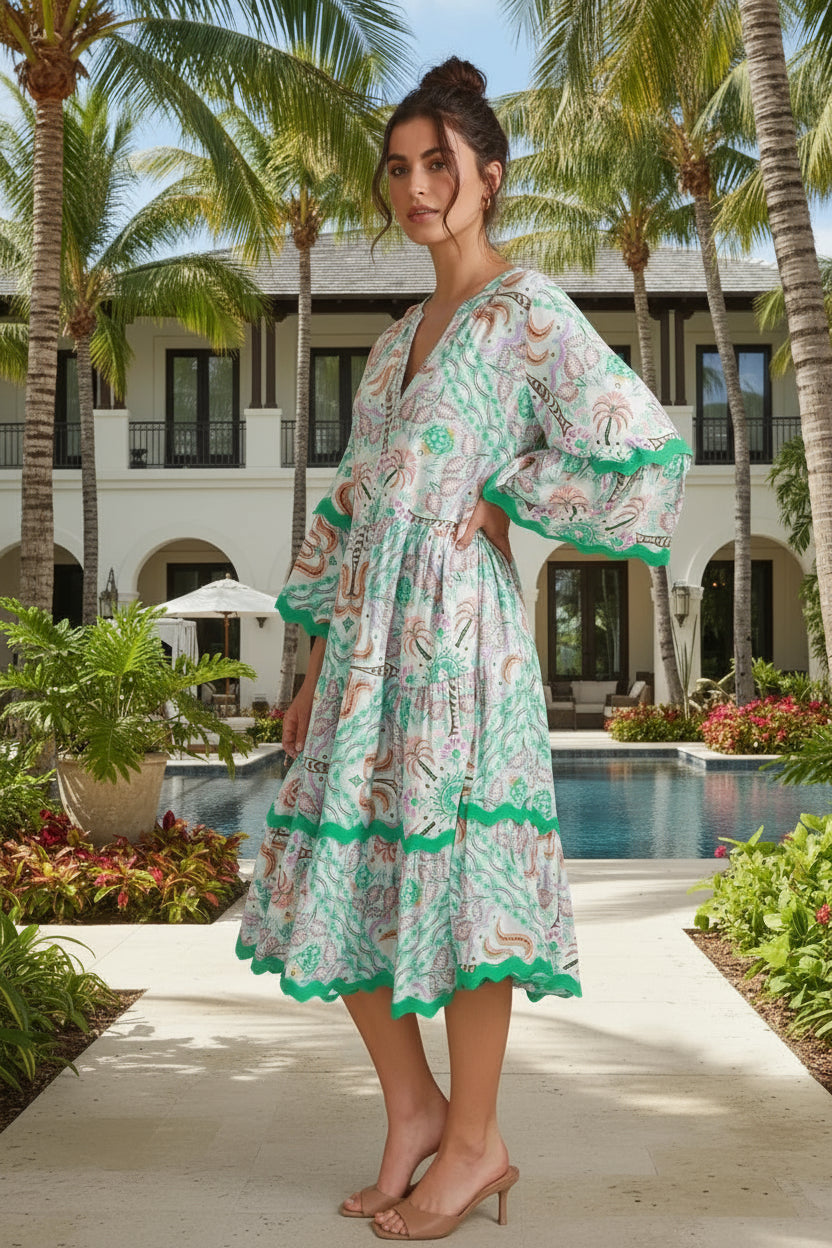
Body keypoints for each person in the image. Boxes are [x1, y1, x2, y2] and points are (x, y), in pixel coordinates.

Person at [237, 57, 691, 1241]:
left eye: (440, 164)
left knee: (462, 888)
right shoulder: (392, 346)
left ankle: (480, 1143)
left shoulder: (526, 311)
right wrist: (318, 669)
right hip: (367, 651)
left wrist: (510, 484)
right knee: (339, 885)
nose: (416, 186)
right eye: (399, 168)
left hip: (460, 642)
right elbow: (348, 505)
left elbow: (644, 450)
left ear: (490, 177)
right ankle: (413, 1111)